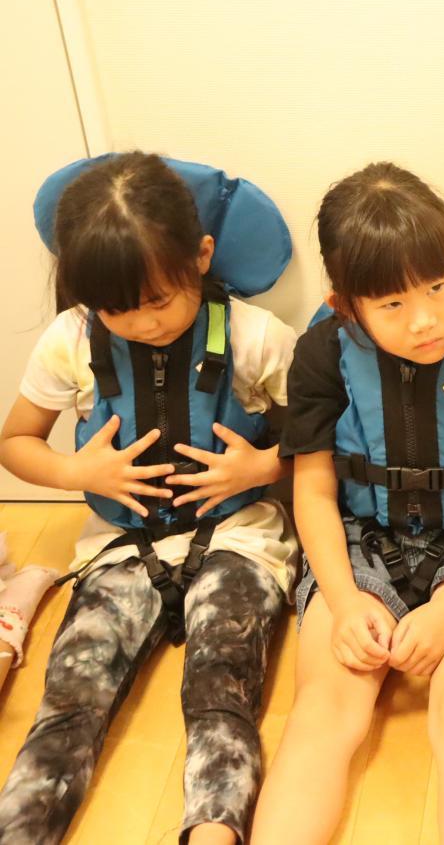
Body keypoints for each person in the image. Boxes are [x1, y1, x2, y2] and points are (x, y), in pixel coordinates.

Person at [251, 162, 444, 845]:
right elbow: (314, 491)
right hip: (360, 541)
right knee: (324, 709)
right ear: (347, 306)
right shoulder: (322, 351)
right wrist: (343, 601)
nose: (425, 320)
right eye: (392, 305)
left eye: (438, 286)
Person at [0, 151, 297, 845]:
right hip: (119, 546)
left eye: (158, 301)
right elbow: (15, 441)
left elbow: (324, 441)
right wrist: (80, 472)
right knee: (71, 695)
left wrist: (258, 466)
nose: (143, 323)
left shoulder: (256, 337)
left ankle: (214, 831)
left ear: (202, 256)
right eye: (118, 309)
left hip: (239, 536)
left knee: (221, 684)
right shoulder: (71, 339)